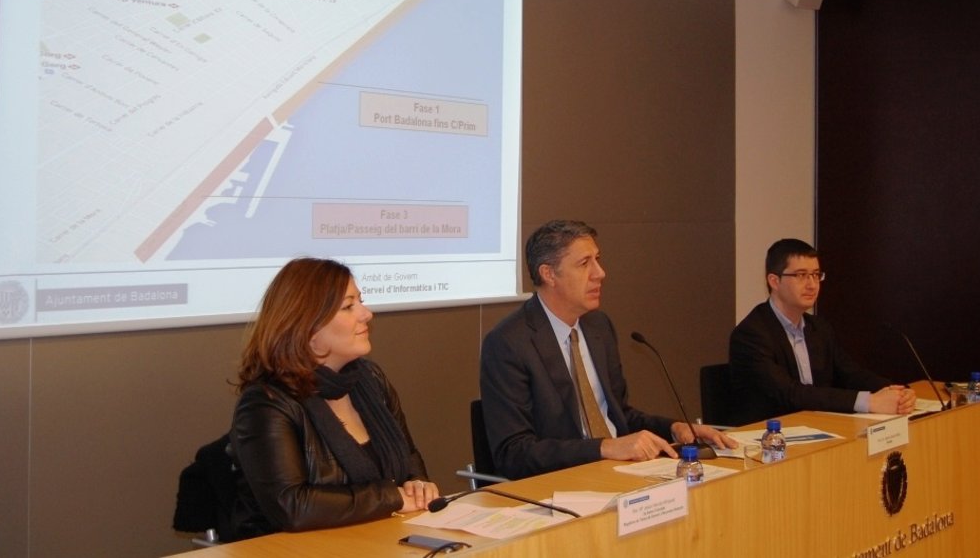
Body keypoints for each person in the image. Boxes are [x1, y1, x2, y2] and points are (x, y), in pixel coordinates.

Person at [479, 219, 735, 480]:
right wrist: (604, 448)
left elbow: (620, 416)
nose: (600, 273)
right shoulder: (509, 343)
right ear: (549, 274)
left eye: (597, 260)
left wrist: (674, 428)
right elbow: (514, 453)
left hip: (620, 474)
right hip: (561, 483)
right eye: (584, 263)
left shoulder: (598, 327)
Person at [228, 257, 438, 539]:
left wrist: (418, 485)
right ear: (308, 327)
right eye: (349, 306)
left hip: (379, 538)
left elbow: (408, 458)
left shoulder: (370, 379)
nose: (366, 314)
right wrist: (391, 497)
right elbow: (292, 506)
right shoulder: (266, 403)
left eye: (361, 302)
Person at [728, 238, 916, 423]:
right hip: (771, 434)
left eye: (816, 275)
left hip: (818, 426)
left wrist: (896, 391)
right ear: (774, 281)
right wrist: (869, 402)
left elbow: (850, 374)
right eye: (801, 275)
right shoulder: (751, 335)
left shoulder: (818, 327)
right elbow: (791, 393)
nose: (812, 285)